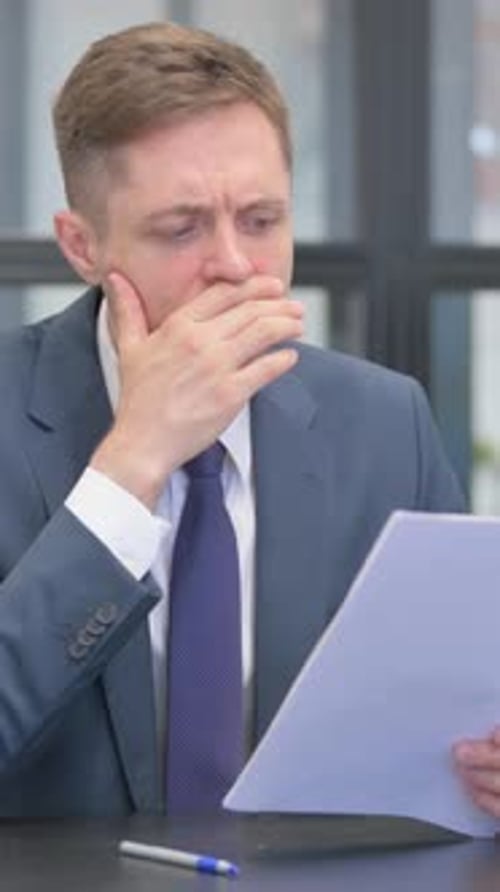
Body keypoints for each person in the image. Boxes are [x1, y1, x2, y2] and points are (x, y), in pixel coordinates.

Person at [0, 20, 494, 818]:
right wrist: (132, 464)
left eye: (262, 221)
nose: (234, 263)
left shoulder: (383, 423)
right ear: (81, 246)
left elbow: (452, 721)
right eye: (181, 228)